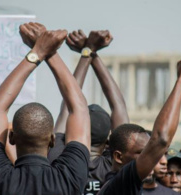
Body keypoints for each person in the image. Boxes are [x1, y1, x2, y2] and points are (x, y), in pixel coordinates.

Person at [0, 23, 91, 195]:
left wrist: (38, 51)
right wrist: (48, 53)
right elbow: (80, 109)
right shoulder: (70, 177)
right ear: (52, 140)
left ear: (11, 137)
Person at [48, 29, 129, 195]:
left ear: (70, 132)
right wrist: (92, 52)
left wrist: (87, 52)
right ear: (107, 142)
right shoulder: (117, 162)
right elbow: (118, 106)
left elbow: (68, 105)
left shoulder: (58, 156)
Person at [98, 59, 181, 195]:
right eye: (142, 153)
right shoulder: (120, 184)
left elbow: (119, 110)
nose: (153, 157)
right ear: (118, 157)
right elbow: (161, 140)